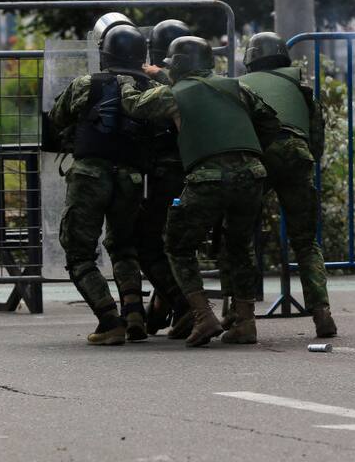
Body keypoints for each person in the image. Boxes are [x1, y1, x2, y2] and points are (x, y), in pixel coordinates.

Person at [116, 36, 280, 347]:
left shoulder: (172, 94)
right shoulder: (237, 87)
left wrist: (127, 80)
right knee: (240, 246)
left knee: (178, 245)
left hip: (208, 177)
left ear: (178, 65)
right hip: (252, 175)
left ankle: (203, 316)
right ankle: (245, 321)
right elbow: (270, 121)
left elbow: (134, 106)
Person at [48, 21, 151, 345]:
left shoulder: (85, 84)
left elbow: (57, 117)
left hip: (90, 175)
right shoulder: (150, 89)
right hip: (132, 177)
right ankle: (135, 313)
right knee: (123, 246)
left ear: (104, 55)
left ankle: (109, 320)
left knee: (79, 253)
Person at [235, 31, 336, 338]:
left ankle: (243, 320)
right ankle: (322, 314)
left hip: (258, 156)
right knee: (306, 242)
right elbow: (317, 138)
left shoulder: (242, 86)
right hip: (298, 155)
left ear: (251, 59)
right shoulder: (301, 89)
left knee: (241, 237)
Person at [136, 19, 194, 338]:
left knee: (147, 241)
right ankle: (161, 310)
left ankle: (187, 307)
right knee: (173, 243)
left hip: (167, 177)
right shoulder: (209, 82)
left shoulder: (156, 85)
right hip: (196, 176)